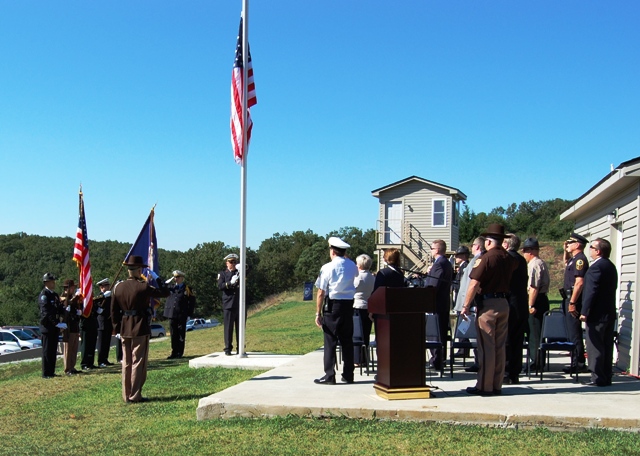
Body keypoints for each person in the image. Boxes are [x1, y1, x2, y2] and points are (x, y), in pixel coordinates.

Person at [461, 223, 515, 396]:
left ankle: (485, 385)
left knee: (487, 346)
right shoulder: (509, 258)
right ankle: (497, 384)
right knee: (499, 346)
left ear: (489, 242)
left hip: (488, 305)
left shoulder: (486, 258)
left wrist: (466, 305)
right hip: (504, 303)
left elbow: (474, 283)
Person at [111, 255, 170, 403]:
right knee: (138, 362)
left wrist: (117, 329)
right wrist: (157, 278)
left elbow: (113, 311)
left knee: (126, 362)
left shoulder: (118, 287)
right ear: (138, 270)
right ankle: (135, 394)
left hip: (124, 328)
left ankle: (126, 394)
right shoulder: (143, 286)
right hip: (139, 327)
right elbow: (165, 292)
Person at [314, 237, 359, 385]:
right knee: (347, 341)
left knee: (330, 341)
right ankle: (348, 374)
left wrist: (317, 313)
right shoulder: (352, 265)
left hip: (333, 306)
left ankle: (329, 375)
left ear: (332, 251)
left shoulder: (327, 267)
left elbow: (321, 291)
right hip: (348, 305)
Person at [580, 238, 618, 387]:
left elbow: (591, 292)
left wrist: (585, 311)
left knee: (595, 346)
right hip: (608, 313)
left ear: (598, 251)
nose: (589, 250)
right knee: (606, 347)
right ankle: (606, 376)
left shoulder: (597, 267)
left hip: (596, 314)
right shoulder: (610, 266)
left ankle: (597, 377)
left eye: (591, 247)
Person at [453, 237, 485, 366]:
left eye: (472, 245)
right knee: (467, 332)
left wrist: (468, 304)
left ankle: (479, 362)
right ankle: (473, 357)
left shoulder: (477, 261)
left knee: (473, 335)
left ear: (477, 246)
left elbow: (472, 284)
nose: (471, 247)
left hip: (471, 304)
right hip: (468, 303)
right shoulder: (474, 260)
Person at [561, 232, 590, 374]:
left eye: (570, 242)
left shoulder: (580, 260)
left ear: (577, 244)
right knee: (570, 332)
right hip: (568, 297)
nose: (568, 245)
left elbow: (579, 283)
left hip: (573, 299)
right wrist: (565, 251)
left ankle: (578, 362)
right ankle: (575, 360)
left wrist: (572, 302)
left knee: (574, 332)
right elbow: (566, 263)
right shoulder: (574, 259)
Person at [502, 233, 528, 384]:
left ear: (506, 245)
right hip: (521, 305)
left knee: (507, 340)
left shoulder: (508, 260)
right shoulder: (522, 260)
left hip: (510, 304)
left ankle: (506, 373)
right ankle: (514, 373)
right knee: (517, 341)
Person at [424, 239, 453, 371]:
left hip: (436, 304)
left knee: (434, 334)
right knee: (440, 333)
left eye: (431, 248)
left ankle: (436, 361)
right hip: (443, 303)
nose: (430, 251)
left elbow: (433, 286)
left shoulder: (439, 264)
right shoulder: (446, 263)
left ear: (436, 250)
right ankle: (440, 360)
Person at [522, 237, 550, 371]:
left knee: (534, 334)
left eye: (525, 250)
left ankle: (536, 362)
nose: (524, 253)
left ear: (531, 251)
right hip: (540, 299)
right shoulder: (539, 262)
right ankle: (537, 360)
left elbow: (534, 287)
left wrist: (530, 305)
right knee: (535, 333)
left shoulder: (534, 264)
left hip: (536, 300)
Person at [164, 270, 196, 359]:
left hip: (182, 314)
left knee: (181, 334)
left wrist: (189, 314)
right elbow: (162, 289)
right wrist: (165, 283)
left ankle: (180, 352)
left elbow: (192, 302)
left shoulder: (187, 289)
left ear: (182, 278)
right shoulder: (171, 287)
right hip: (172, 314)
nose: (175, 279)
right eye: (174, 277)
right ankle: (174, 352)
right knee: (173, 334)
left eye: (177, 277)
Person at [38, 273, 64, 379]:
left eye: (54, 281)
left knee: (53, 350)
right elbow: (46, 312)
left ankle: (51, 371)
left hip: (54, 327)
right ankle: (46, 373)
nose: (54, 283)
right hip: (47, 326)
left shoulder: (54, 295)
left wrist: (64, 311)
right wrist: (56, 323)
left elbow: (58, 308)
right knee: (47, 351)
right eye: (52, 281)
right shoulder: (44, 295)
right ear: (46, 283)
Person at [353, 254, 375, 366]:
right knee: (366, 334)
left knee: (357, 334)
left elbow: (353, 289)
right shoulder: (372, 277)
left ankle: (357, 359)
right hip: (368, 307)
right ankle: (365, 358)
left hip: (358, 306)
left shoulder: (358, 277)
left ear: (360, 265)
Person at [218, 253, 241, 356]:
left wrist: (242, 267)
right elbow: (220, 286)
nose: (233, 263)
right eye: (231, 262)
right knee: (228, 327)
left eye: (235, 262)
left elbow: (250, 269)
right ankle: (228, 348)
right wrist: (230, 283)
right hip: (229, 304)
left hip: (239, 303)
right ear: (227, 263)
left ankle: (240, 347)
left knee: (240, 327)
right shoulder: (223, 274)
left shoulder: (239, 272)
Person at [61, 279, 82, 375]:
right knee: (68, 349)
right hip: (68, 327)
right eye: (72, 287)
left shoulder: (72, 299)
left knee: (74, 349)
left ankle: (72, 367)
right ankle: (67, 368)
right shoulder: (63, 298)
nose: (73, 289)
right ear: (68, 288)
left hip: (74, 326)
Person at [95, 278, 114, 367]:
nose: (107, 287)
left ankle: (105, 359)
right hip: (101, 322)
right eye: (105, 286)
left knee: (107, 342)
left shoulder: (109, 296)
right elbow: (96, 306)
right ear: (101, 288)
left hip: (108, 321)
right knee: (101, 343)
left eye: (108, 286)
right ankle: (100, 361)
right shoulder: (99, 297)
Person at [79, 294, 99, 370]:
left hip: (93, 324)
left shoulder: (92, 301)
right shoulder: (81, 300)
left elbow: (95, 310)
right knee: (85, 345)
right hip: (85, 325)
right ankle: (84, 363)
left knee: (92, 344)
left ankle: (90, 363)